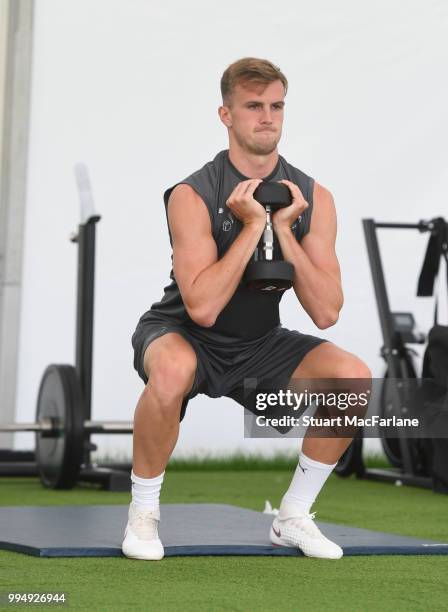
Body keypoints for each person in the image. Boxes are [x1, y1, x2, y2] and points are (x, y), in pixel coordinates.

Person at [122, 57, 371, 561]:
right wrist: (252, 226)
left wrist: (283, 229)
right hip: (184, 333)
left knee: (353, 379)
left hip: (259, 343)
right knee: (171, 370)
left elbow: (325, 312)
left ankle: (293, 517)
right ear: (226, 115)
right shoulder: (193, 194)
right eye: (253, 106)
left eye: (277, 106)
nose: (267, 117)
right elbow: (204, 308)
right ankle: (143, 515)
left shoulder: (314, 196)